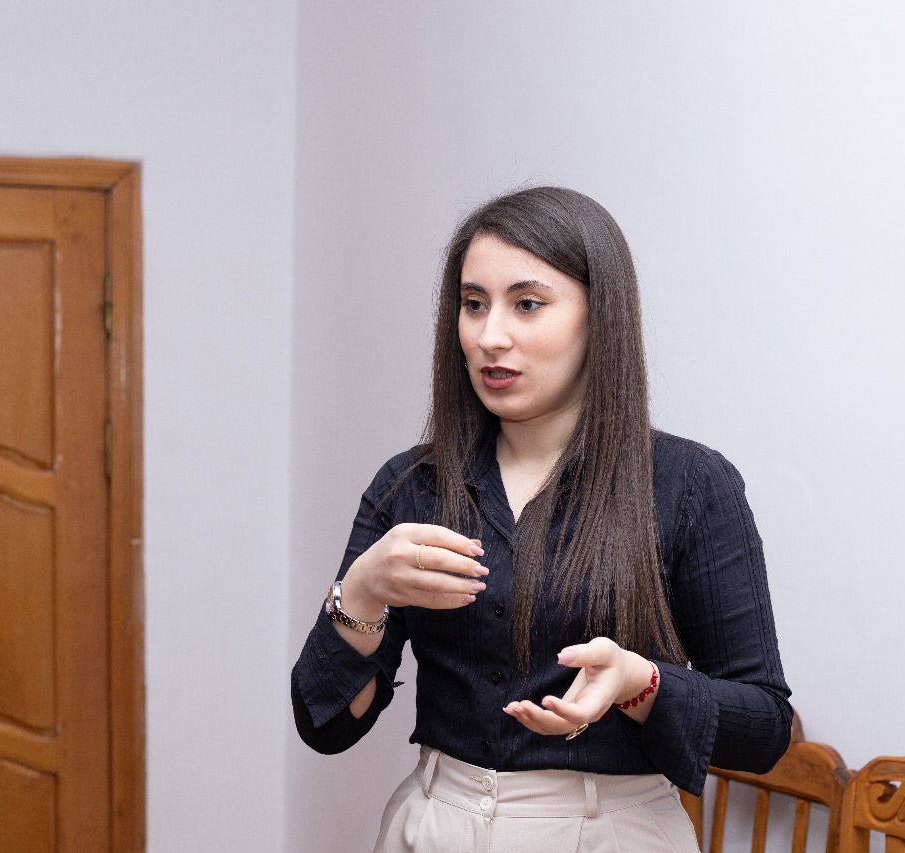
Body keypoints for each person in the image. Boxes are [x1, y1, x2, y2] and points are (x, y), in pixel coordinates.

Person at [292, 186, 792, 852]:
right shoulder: (409, 486)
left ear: (600, 317)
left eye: (527, 304)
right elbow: (328, 726)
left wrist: (640, 683)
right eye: (474, 304)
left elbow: (764, 729)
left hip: (612, 832)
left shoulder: (690, 485)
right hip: (436, 824)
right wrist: (360, 592)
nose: (489, 336)